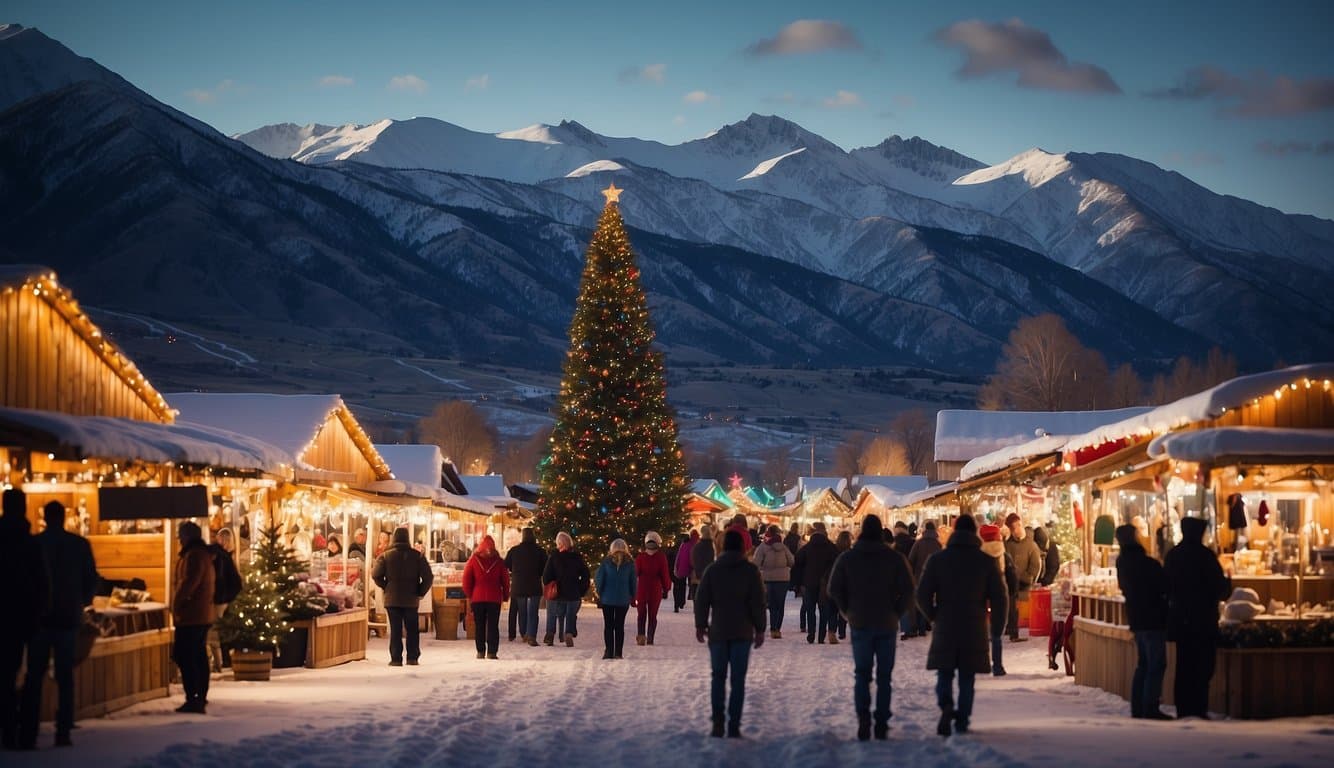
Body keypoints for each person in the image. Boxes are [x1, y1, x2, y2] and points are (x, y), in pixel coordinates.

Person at [917, 514, 1007, 738]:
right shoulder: (986, 561)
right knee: (967, 676)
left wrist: (933, 615)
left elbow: (922, 593)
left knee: (945, 672)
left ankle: (946, 706)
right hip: (974, 625)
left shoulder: (938, 560)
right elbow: (1000, 596)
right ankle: (963, 719)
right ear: (975, 533)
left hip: (945, 622)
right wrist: (996, 628)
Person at [827, 515, 914, 741]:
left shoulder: (848, 558)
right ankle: (882, 722)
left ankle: (863, 719)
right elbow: (909, 589)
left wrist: (847, 610)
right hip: (886, 621)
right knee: (884, 676)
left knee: (862, 674)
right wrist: (896, 611)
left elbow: (833, 588)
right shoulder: (894, 558)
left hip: (860, 621)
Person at [695, 529, 765, 738]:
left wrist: (700, 625)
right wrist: (760, 628)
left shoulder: (713, 570)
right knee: (738, 680)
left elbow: (702, 599)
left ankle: (718, 722)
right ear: (743, 548)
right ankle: (734, 724)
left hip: (718, 631)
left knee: (718, 677)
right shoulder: (750, 571)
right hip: (742, 632)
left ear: (723, 547)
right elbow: (758, 603)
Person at [1163, 516, 1229, 719]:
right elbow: (1220, 588)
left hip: (1181, 620)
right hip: (1204, 620)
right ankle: (1198, 708)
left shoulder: (1173, 555)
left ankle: (1184, 708)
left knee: (1184, 666)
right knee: (1202, 667)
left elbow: (1166, 586)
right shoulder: (1206, 556)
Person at [3, 490, 47, 750]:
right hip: (30, 619)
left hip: (4, 618)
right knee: (33, 677)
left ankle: (7, 731)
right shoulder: (32, 544)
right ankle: (28, 733)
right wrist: (41, 611)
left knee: (5, 677)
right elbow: (43, 583)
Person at [1115, 525, 1171, 720]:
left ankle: (1138, 707)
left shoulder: (1123, 562)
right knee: (1155, 664)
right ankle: (1150, 707)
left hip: (1137, 617)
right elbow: (1163, 583)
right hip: (1153, 618)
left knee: (1144, 664)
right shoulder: (1144, 562)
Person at [168, 521, 214, 715]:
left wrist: (176, 604)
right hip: (201, 614)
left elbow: (189, 583)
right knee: (197, 655)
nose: (179, 539)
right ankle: (199, 696)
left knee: (186, 655)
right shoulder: (201, 554)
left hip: (192, 615)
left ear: (187, 537)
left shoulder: (194, 556)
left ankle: (194, 697)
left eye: (180, 535)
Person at [373, 527, 434, 666]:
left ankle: (396, 658)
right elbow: (428, 577)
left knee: (395, 629)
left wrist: (385, 586)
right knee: (412, 629)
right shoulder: (417, 556)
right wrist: (420, 591)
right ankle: (412, 657)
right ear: (408, 539)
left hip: (392, 599)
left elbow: (375, 574)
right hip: (411, 599)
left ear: (394, 538)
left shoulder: (386, 555)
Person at [462, 535, 508, 660]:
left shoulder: (473, 560)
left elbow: (466, 580)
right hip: (494, 598)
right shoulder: (499, 561)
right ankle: (492, 652)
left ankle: (480, 651)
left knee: (480, 625)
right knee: (493, 625)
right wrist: (505, 596)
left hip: (478, 598)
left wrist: (470, 594)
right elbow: (505, 580)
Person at [792, 521, 839, 644]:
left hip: (809, 582)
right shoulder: (831, 547)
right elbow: (837, 561)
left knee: (810, 609)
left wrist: (800, 579)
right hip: (824, 583)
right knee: (824, 610)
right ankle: (821, 636)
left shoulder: (808, 547)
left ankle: (811, 633)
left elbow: (797, 560)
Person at [979, 524, 1017, 675]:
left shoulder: (978, 556)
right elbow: (1012, 576)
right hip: (1001, 596)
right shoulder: (1004, 555)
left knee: (981, 632)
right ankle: (998, 666)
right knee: (997, 634)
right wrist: (1012, 592)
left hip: (981, 597)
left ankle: (982, 664)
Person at [542, 532, 590, 646]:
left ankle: (550, 634)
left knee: (552, 613)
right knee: (571, 614)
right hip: (573, 592)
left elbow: (546, 576)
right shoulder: (577, 557)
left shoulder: (554, 557)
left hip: (556, 592)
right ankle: (568, 633)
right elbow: (586, 575)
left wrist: (551, 584)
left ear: (559, 543)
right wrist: (580, 589)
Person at [505, 527, 547, 646]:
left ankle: (524, 633)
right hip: (534, 584)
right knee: (533, 612)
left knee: (522, 611)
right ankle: (532, 635)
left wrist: (515, 570)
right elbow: (545, 567)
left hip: (519, 584)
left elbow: (506, 564)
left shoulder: (514, 550)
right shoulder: (540, 551)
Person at [595, 539, 637, 659]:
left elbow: (599, 580)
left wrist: (599, 593)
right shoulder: (630, 563)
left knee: (608, 625)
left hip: (607, 599)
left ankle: (608, 651)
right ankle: (618, 652)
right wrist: (633, 595)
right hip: (623, 600)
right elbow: (633, 582)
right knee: (619, 626)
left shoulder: (606, 562)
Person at [1003, 513, 1042, 642]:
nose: (1018, 529)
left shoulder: (1031, 545)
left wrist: (1025, 577)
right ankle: (1010, 629)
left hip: (1024, 586)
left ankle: (1014, 630)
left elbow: (1035, 566)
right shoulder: (1007, 545)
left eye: (1019, 525)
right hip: (1010, 586)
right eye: (1014, 528)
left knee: (1018, 607)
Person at [753, 524, 795, 639]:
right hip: (783, 579)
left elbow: (756, 563)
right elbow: (791, 561)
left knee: (772, 605)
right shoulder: (784, 547)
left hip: (768, 579)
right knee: (780, 604)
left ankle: (772, 628)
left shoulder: (763, 547)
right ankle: (777, 628)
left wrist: (761, 569)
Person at [206, 528, 237, 674]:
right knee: (217, 630)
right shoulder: (230, 557)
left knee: (213, 631)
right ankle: (219, 661)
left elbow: (218, 579)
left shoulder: (220, 558)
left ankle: (217, 663)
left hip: (218, 598)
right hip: (225, 598)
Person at [906, 520, 943, 638]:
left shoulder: (919, 543)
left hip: (918, 576)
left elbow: (911, 559)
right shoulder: (938, 545)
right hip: (935, 578)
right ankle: (924, 627)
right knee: (929, 599)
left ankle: (917, 627)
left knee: (918, 600)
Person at [634, 532, 671, 645]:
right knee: (652, 615)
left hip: (641, 589)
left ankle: (641, 636)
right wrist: (666, 588)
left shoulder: (640, 557)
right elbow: (665, 574)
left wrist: (632, 592)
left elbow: (635, 574)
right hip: (655, 589)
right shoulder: (661, 557)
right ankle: (650, 637)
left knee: (641, 614)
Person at [829, 530, 853, 641]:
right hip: (847, 583)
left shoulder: (833, 550)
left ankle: (832, 631)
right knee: (844, 607)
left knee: (833, 608)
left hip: (835, 581)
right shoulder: (850, 552)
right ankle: (842, 632)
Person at [691, 524, 716, 596]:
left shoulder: (697, 546)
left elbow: (694, 561)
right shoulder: (713, 545)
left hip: (699, 577)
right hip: (711, 577)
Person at [671, 532, 693, 612]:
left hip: (676, 569)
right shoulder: (689, 545)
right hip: (684, 569)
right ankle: (681, 602)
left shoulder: (674, 547)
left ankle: (677, 604)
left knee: (677, 587)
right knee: (682, 586)